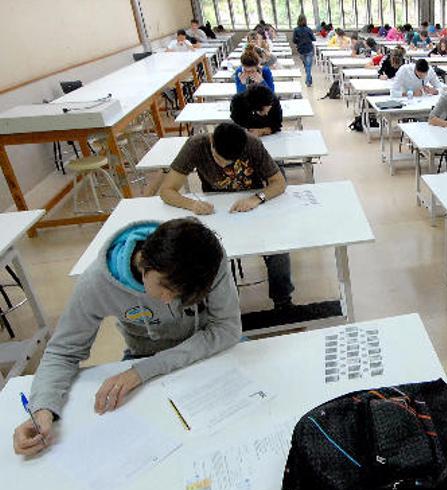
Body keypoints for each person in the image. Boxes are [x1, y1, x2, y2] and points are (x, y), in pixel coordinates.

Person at [13, 218, 240, 457]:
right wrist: (43, 409)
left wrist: (144, 370)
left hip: (204, 349)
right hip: (144, 354)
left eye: (183, 296)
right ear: (145, 265)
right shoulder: (98, 283)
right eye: (166, 290)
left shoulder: (205, 260)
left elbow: (226, 329)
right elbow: (62, 351)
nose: (170, 301)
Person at [158, 123, 295, 310]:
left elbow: (279, 182)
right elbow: (167, 190)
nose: (224, 166)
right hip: (216, 212)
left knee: (278, 249)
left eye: (230, 162)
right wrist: (193, 204)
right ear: (211, 142)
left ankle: (283, 301)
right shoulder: (195, 146)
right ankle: (219, 311)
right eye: (219, 159)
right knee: (208, 257)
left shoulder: (252, 144)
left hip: (251, 209)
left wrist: (257, 198)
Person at [293, 14, 316, 87]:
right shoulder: (308, 29)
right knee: (308, 66)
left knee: (306, 66)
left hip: (301, 50)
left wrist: (299, 41)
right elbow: (313, 39)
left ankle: (308, 80)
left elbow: (294, 40)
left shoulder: (296, 30)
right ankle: (308, 80)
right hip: (309, 49)